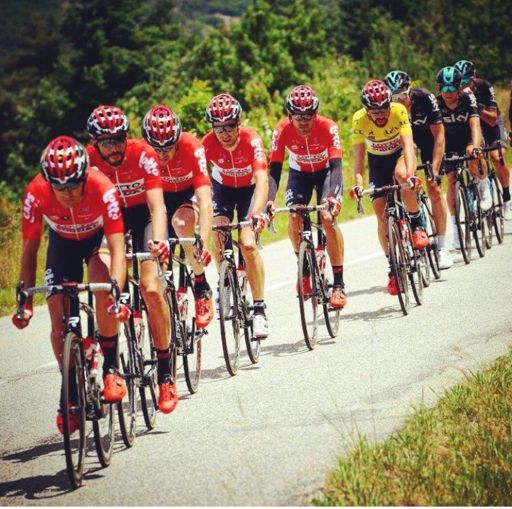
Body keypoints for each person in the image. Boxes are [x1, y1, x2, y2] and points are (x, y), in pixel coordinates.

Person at [12, 135, 128, 433]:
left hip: (97, 241)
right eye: (59, 187)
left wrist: (117, 292)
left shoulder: (102, 187)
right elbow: (29, 250)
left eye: (73, 184)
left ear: (84, 176)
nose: (67, 193)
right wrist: (24, 300)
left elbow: (118, 248)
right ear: (48, 182)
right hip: (62, 245)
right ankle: (70, 390)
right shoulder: (35, 192)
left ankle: (111, 367)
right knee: (57, 315)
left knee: (102, 282)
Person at [86, 105, 177, 414]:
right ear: (95, 142)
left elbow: (158, 207)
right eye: (106, 142)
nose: (114, 147)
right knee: (104, 287)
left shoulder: (143, 154)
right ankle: (111, 368)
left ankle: (165, 372)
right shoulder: (88, 162)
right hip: (111, 223)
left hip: (143, 218)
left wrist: (160, 242)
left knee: (150, 289)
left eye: (119, 139)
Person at [267, 85, 347, 308]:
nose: (303, 122)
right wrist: (270, 200)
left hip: (326, 173)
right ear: (289, 115)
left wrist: (332, 197)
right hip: (299, 174)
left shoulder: (328, 127)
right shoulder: (281, 130)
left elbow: (337, 167)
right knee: (294, 216)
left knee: (327, 219)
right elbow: (274, 170)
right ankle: (304, 270)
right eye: (298, 117)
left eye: (308, 116)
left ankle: (339, 284)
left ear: (316, 114)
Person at [350, 79, 428, 296]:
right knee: (380, 213)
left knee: (402, 177)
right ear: (366, 110)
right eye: (374, 111)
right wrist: (358, 185)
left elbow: (408, 147)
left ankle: (417, 225)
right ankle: (393, 268)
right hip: (377, 162)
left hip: (399, 155)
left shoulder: (398, 110)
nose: (380, 115)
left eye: (383, 109)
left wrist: (411, 176)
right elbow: (358, 159)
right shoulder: (359, 120)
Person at [202, 93, 270, 339]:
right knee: (219, 233)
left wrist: (257, 213)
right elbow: (198, 181)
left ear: (238, 123)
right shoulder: (206, 143)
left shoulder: (252, 141)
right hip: (222, 189)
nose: (224, 133)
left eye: (229, 126)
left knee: (248, 244)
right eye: (218, 127)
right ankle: (225, 283)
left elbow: (262, 181)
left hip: (249, 191)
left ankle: (260, 309)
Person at [142, 104, 214, 328]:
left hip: (189, 193)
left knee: (181, 223)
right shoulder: (142, 155)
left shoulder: (192, 147)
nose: (162, 154)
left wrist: (202, 241)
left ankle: (201, 286)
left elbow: (205, 201)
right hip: (161, 198)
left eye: (168, 147)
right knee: (157, 252)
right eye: (157, 148)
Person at [385, 70, 453, 269]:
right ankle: (411, 234)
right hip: (404, 145)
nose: (399, 100)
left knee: (434, 187)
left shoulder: (425, 98)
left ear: (410, 90)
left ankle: (442, 248)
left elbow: (439, 135)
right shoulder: (386, 108)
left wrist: (435, 169)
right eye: (394, 97)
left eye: (402, 95)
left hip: (428, 141)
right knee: (400, 184)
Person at [435, 66, 487, 248]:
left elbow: (475, 125)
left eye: (452, 88)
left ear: (459, 87)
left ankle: (483, 187)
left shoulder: (467, 99)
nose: (448, 92)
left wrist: (475, 146)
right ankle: (457, 230)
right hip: (449, 143)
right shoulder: (437, 104)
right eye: (444, 88)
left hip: (468, 138)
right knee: (451, 179)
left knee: (472, 154)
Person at [454, 59, 511, 220]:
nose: (463, 85)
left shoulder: (484, 86)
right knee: (470, 152)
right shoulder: (455, 93)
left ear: (474, 76)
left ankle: (507, 199)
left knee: (496, 157)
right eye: (460, 82)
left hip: (491, 124)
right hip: (472, 126)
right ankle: (477, 186)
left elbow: (493, 118)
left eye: (466, 80)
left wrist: (475, 106)